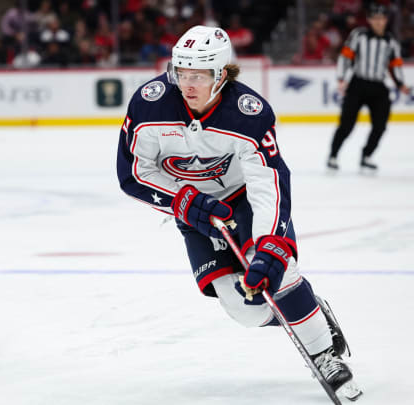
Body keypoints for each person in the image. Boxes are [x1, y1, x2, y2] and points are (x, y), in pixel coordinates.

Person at [116, 25, 362, 401]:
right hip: (192, 209)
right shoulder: (149, 104)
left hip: (243, 199)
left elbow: (269, 182)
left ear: (221, 74)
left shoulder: (249, 114)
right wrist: (182, 200)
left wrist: (268, 245)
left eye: (197, 75)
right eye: (181, 73)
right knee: (244, 310)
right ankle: (308, 313)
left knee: (277, 275)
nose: (187, 84)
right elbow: (133, 173)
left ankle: (323, 352)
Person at [328, 2, 409, 171]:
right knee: (346, 124)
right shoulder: (359, 35)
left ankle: (367, 155)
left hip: (378, 86)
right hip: (358, 84)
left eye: (382, 18)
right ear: (370, 20)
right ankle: (333, 156)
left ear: (386, 20)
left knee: (380, 125)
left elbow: (396, 65)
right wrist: (342, 78)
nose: (379, 22)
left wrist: (401, 84)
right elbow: (345, 57)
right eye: (375, 18)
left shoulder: (391, 41)